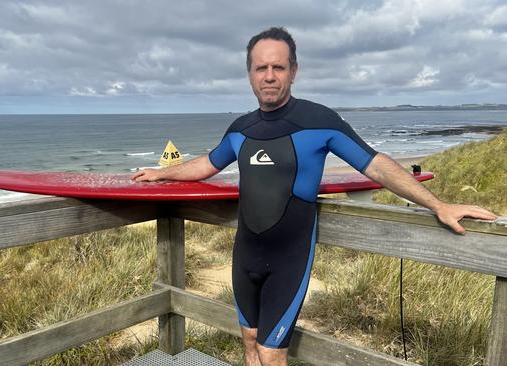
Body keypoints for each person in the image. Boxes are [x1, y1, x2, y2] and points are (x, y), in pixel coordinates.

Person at [131, 27, 497, 366]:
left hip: (288, 259)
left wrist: (438, 205)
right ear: (249, 73)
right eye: (261, 68)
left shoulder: (319, 121)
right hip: (245, 254)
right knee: (249, 339)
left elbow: (375, 165)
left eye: (278, 66)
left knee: (271, 352)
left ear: (294, 70)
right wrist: (162, 173)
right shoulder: (240, 128)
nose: (269, 75)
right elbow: (208, 164)